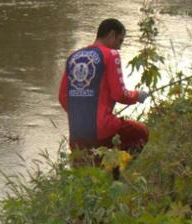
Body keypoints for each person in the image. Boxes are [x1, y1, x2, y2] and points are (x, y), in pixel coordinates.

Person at [59, 18, 150, 153]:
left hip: (76, 132)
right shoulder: (111, 54)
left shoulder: (73, 57)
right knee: (141, 132)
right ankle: (119, 171)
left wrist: (81, 115)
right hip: (103, 130)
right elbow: (119, 94)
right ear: (111, 35)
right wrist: (138, 95)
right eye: (120, 41)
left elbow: (62, 97)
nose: (119, 47)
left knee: (84, 168)